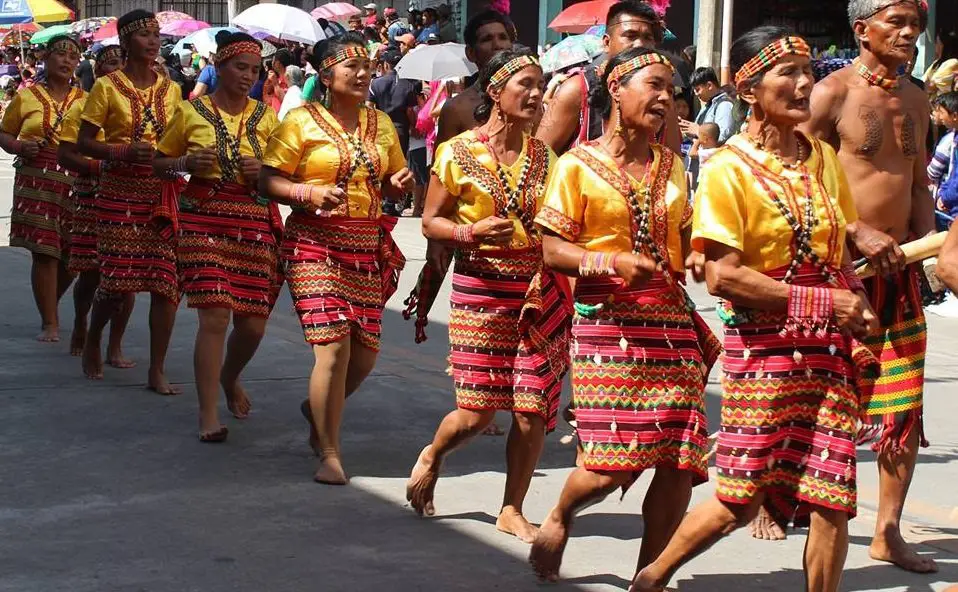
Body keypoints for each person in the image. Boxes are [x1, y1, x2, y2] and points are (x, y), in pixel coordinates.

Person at [630, 28, 879, 592]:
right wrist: (826, 300)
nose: (803, 84)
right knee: (738, 497)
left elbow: (834, 253)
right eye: (786, 73)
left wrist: (857, 308)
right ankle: (652, 577)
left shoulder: (822, 159)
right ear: (747, 89)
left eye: (808, 72)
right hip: (764, 353)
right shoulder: (728, 168)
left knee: (831, 494)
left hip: (828, 351)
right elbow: (722, 276)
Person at [529, 46, 720, 582]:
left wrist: (702, 253)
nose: (665, 97)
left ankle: (650, 575)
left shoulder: (673, 164)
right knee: (611, 465)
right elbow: (550, 249)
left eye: (671, 90)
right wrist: (608, 260)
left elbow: (684, 235)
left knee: (679, 458)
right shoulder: (576, 165)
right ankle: (562, 511)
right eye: (654, 85)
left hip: (672, 325)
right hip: (606, 324)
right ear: (616, 89)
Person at [794, 0, 938, 574]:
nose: (908, 34)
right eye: (896, 23)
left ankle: (887, 530)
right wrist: (853, 229)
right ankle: (781, 500)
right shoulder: (831, 93)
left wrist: (929, 246)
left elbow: (919, 180)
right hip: (837, 271)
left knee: (902, 406)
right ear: (862, 30)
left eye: (915, 26)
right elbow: (792, 174)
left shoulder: (919, 96)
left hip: (898, 273)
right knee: (814, 396)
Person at [405, 49, 570, 543]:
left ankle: (512, 508)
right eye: (526, 84)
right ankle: (433, 454)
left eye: (542, 86)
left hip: (538, 292)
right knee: (478, 412)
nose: (538, 95)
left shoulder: (548, 158)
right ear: (495, 92)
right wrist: (470, 231)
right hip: (481, 290)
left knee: (532, 406)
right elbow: (431, 220)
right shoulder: (457, 152)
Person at [258, 32, 414, 484]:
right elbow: (267, 181)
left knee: (364, 357)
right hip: (313, 244)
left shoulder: (380, 123)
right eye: (352, 67)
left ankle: (318, 409)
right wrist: (306, 191)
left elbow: (386, 179)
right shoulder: (299, 122)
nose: (363, 74)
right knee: (332, 348)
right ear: (326, 75)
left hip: (365, 246)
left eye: (367, 66)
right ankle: (329, 450)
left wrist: (398, 183)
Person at [154, 32, 281, 442]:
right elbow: (159, 163)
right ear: (219, 67)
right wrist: (185, 162)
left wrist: (260, 169)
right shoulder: (191, 112)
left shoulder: (268, 117)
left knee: (253, 327)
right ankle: (207, 414)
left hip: (253, 220)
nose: (247, 76)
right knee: (214, 315)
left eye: (255, 70)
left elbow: (283, 174)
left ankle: (230, 377)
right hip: (203, 218)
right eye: (239, 67)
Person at [404, 9, 515, 436]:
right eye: (486, 40)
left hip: (518, 235)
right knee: (479, 321)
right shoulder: (457, 108)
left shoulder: (532, 100)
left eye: (502, 37)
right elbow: (443, 174)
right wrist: (443, 241)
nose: (496, 45)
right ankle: (475, 398)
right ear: (471, 53)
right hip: (469, 231)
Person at [77, 10, 183, 392]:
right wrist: (121, 153)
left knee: (165, 283)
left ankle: (157, 368)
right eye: (144, 35)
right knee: (117, 284)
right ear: (126, 42)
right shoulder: (107, 87)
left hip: (161, 190)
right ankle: (93, 338)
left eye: (156, 34)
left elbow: (178, 136)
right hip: (119, 191)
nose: (153, 42)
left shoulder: (171, 88)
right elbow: (84, 143)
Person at [0, 35, 84, 342]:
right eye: (59, 55)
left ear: (78, 63)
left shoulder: (86, 99)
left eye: (72, 57)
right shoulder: (27, 96)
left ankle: (50, 303)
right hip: (36, 178)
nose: (65, 61)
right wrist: (20, 145)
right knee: (44, 252)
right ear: (46, 60)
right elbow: (4, 134)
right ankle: (50, 321)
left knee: (73, 256)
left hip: (76, 178)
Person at [57, 44, 135, 366]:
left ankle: (114, 344)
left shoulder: (139, 103)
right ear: (100, 72)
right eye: (110, 64)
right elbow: (67, 154)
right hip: (91, 192)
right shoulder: (83, 107)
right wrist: (98, 166)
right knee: (90, 272)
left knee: (129, 275)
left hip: (131, 191)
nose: (116, 69)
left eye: (121, 63)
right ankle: (81, 323)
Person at [536, 1, 681, 155]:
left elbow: (673, 165)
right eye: (630, 36)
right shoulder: (578, 88)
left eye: (648, 38)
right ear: (606, 43)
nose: (640, 44)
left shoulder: (662, 97)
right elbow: (539, 160)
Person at [367, 49, 419, 157]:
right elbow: (410, 111)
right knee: (400, 161)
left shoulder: (375, 83)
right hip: (401, 129)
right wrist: (413, 126)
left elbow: (369, 107)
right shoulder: (408, 85)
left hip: (382, 128)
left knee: (383, 159)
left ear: (386, 65)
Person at [682, 66, 734, 145]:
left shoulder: (724, 105)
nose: (696, 94)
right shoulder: (708, 105)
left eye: (697, 90)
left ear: (709, 85)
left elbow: (723, 137)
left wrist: (698, 131)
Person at [930, 92, 958, 217]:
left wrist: (945, 197)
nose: (939, 116)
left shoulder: (949, 139)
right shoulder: (954, 136)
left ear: (954, 116)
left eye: (941, 112)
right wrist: (943, 192)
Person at [924, 30, 958, 102]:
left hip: (943, 106)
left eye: (937, 42)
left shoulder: (952, 62)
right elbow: (924, 81)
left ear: (943, 45)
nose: (935, 45)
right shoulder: (936, 63)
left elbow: (931, 86)